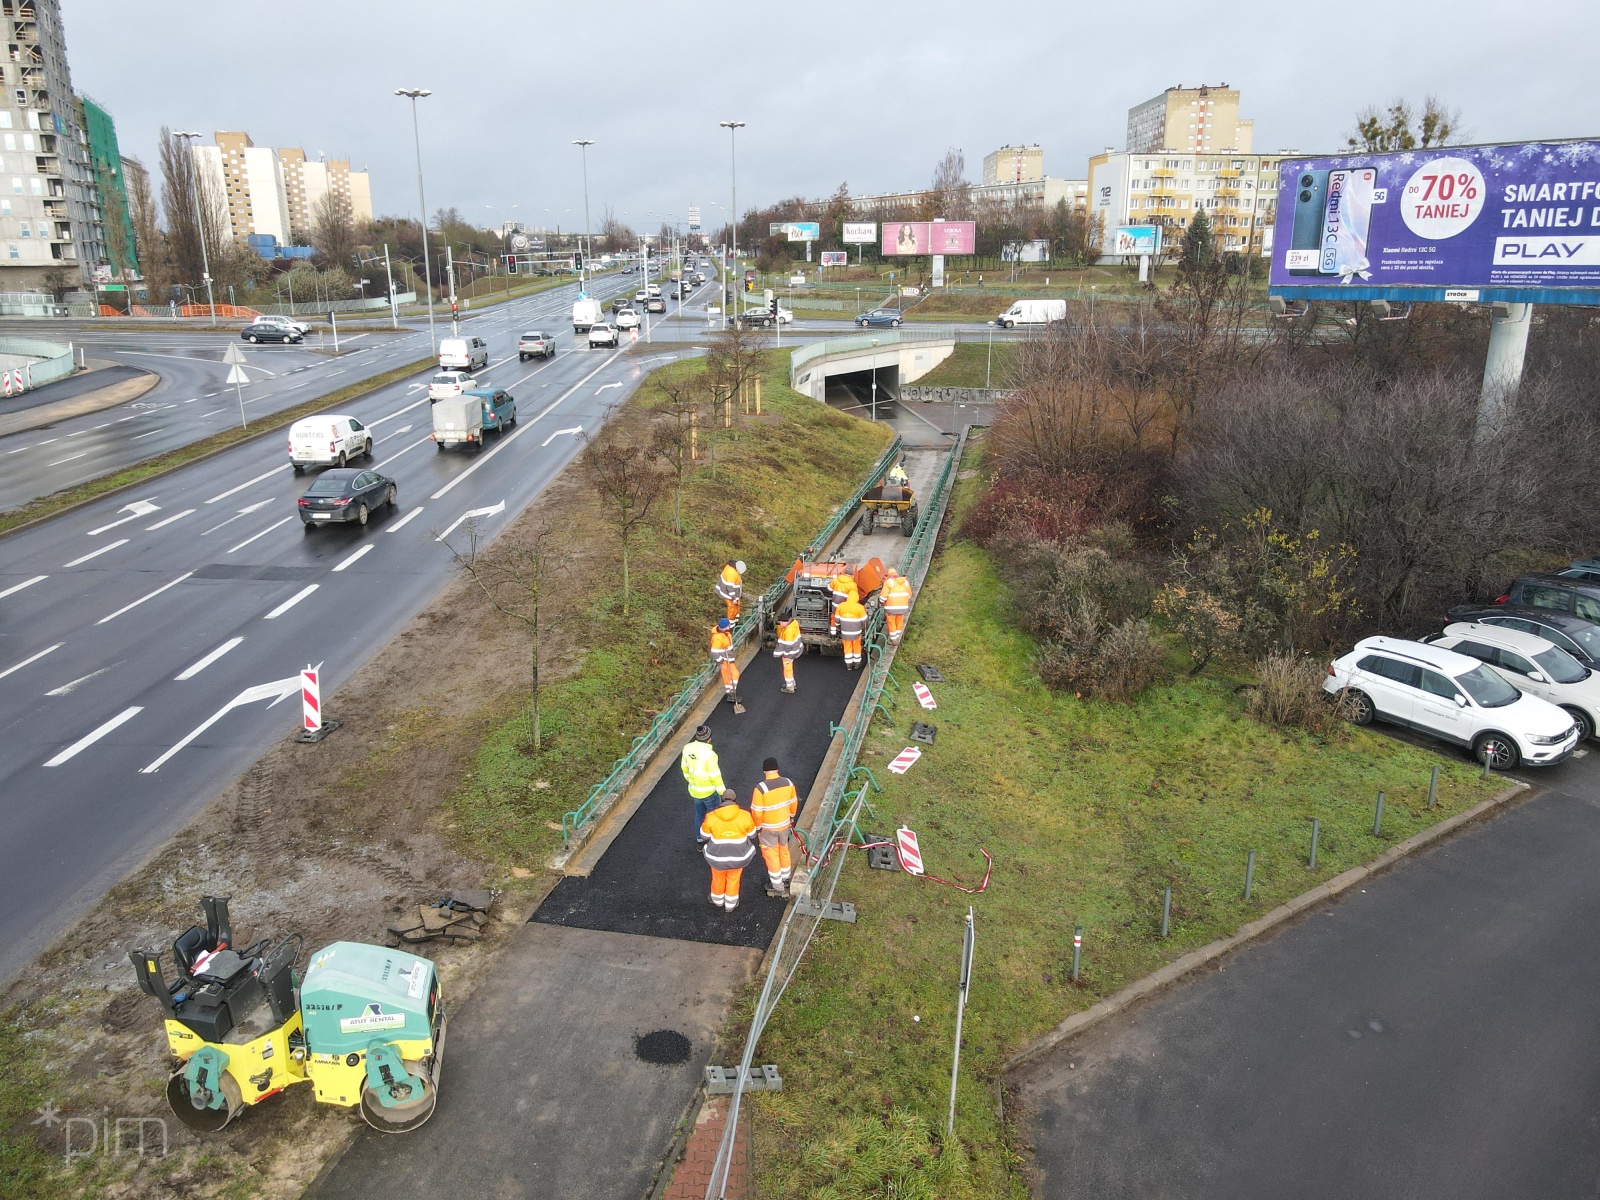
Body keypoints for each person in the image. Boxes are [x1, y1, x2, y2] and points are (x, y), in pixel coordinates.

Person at [701, 788, 757, 912]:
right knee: (733, 879)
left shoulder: (711, 816)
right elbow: (753, 834)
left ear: (722, 800)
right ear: (735, 801)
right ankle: (730, 905)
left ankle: (717, 901)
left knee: (718, 878)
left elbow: (703, 835)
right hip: (738, 857)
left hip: (716, 858)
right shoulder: (745, 815)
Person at [751, 757, 798, 897]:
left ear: (764, 771)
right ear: (777, 768)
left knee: (771, 855)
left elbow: (757, 812)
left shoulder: (760, 788)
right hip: (784, 825)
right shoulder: (789, 783)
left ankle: (777, 886)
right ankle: (786, 878)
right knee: (784, 851)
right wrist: (791, 817)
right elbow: (793, 803)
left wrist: (758, 828)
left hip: (768, 829)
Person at [679, 725, 725, 845]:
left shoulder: (687, 748)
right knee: (715, 816)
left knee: (699, 815)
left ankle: (700, 839)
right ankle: (715, 840)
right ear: (708, 738)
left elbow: (684, 768)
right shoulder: (709, 755)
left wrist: (692, 781)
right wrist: (723, 793)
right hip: (709, 792)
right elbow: (715, 776)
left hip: (695, 790)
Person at [836, 591, 868, 670]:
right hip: (856, 633)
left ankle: (849, 666)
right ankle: (857, 664)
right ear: (857, 598)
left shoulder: (841, 606)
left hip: (845, 633)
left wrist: (838, 627)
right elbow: (864, 620)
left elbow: (837, 620)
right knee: (857, 647)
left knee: (847, 648)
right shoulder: (859, 607)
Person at [710, 617, 739, 704]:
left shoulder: (725, 633)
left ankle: (730, 692)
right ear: (725, 627)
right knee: (734, 675)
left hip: (728, 658)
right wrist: (721, 660)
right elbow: (714, 652)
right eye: (728, 626)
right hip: (725, 660)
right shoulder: (718, 638)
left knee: (728, 676)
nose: (729, 627)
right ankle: (731, 692)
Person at [773, 609, 802, 693]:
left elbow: (787, 646)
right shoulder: (793, 624)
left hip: (790, 653)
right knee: (790, 667)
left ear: (786, 622)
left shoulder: (789, 631)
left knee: (787, 669)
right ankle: (793, 683)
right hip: (796, 649)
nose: (780, 624)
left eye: (782, 622)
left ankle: (790, 687)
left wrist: (782, 654)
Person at [880, 568, 912, 645]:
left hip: (891, 608)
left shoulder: (888, 582)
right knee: (899, 621)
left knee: (891, 622)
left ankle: (893, 640)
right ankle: (897, 636)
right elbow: (909, 595)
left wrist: (881, 602)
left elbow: (884, 596)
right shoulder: (905, 582)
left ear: (889, 575)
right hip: (903, 607)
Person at [828, 569, 857, 637]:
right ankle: (843, 631)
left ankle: (833, 634)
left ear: (844, 573)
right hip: (845, 606)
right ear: (852, 575)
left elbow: (829, 588)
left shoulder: (835, 580)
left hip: (835, 604)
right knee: (844, 618)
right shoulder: (853, 585)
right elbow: (854, 596)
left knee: (834, 616)